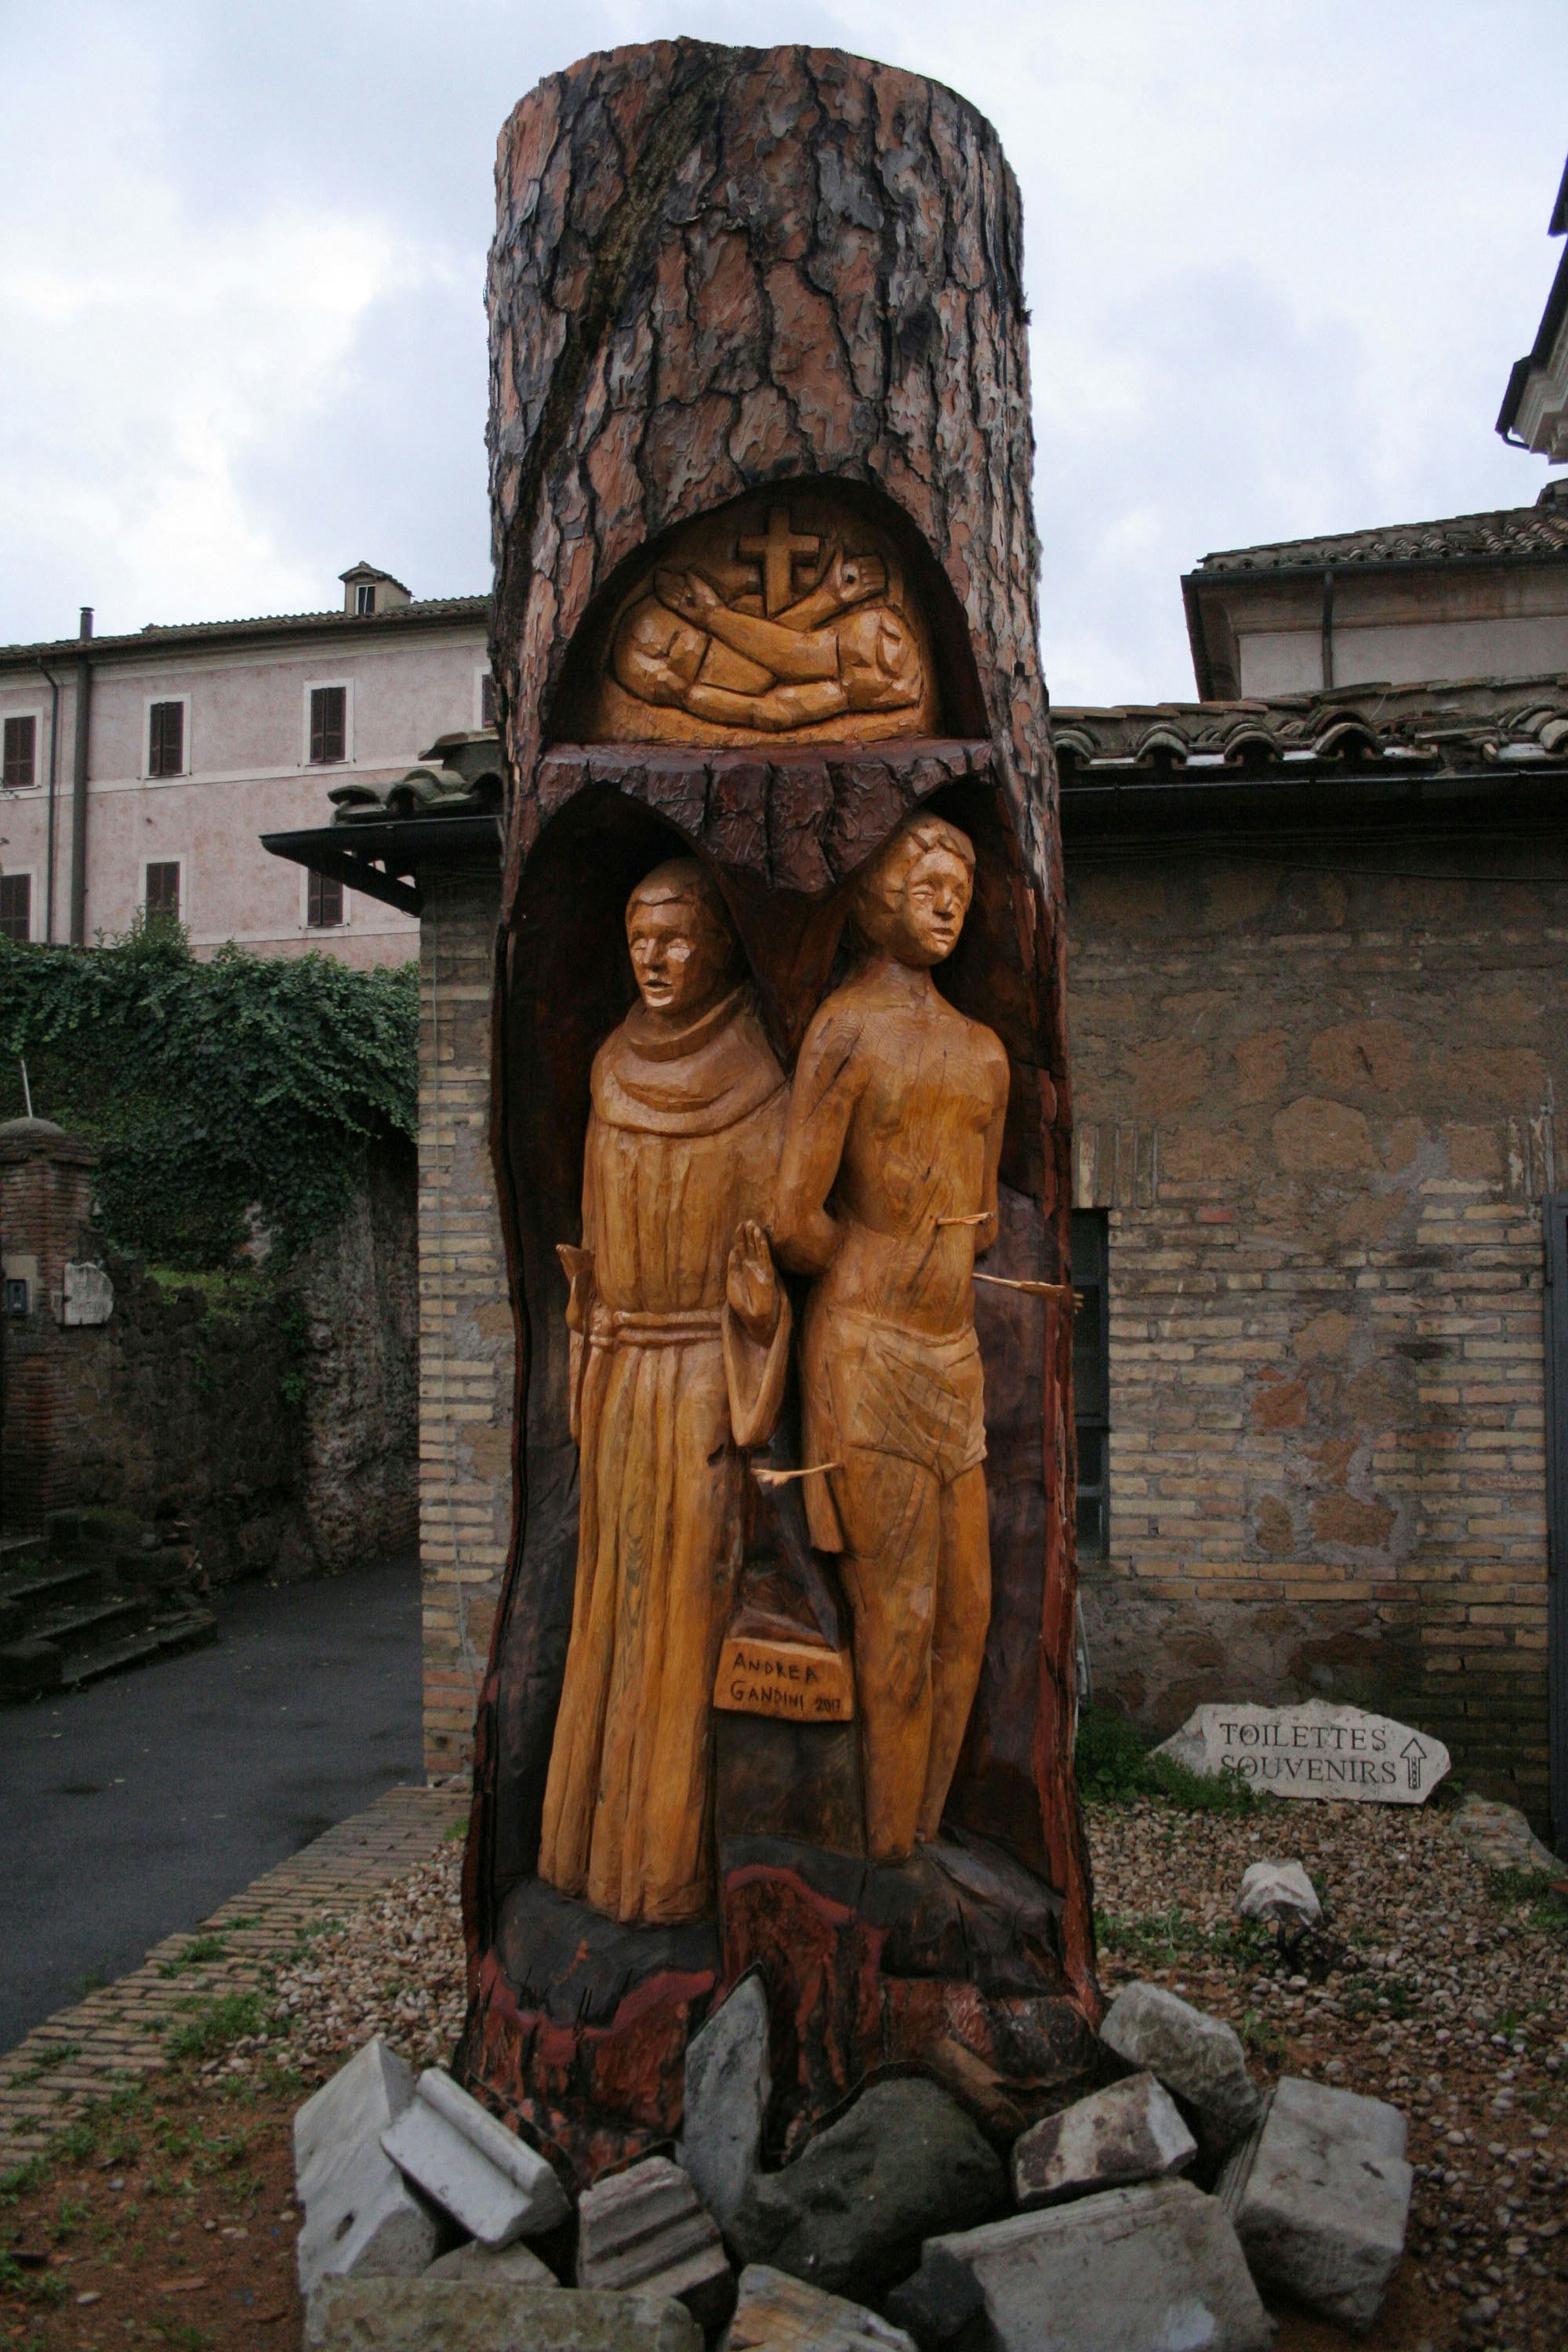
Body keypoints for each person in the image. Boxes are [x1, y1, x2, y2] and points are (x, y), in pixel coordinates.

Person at [538, 860, 789, 1925]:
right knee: (609, 1607)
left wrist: (759, 1312)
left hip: (696, 1380)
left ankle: (667, 1869)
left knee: (685, 1609)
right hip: (622, 1374)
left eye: (678, 936)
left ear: (719, 947)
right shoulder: (608, 1066)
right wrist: (588, 1330)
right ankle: (582, 1851)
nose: (654, 957)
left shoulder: (757, 1083)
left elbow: (770, 1269)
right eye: (640, 935)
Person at [772, 815, 1008, 1861]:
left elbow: (986, 1214)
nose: (950, 900)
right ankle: (886, 1858)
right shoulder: (847, 1029)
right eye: (928, 884)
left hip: (954, 1362)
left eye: (961, 885)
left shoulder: (984, 1053)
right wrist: (874, 1262)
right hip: (867, 1356)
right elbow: (793, 1216)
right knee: (898, 1621)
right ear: (881, 898)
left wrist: (931, 1259)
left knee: (969, 1619)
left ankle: (919, 1837)